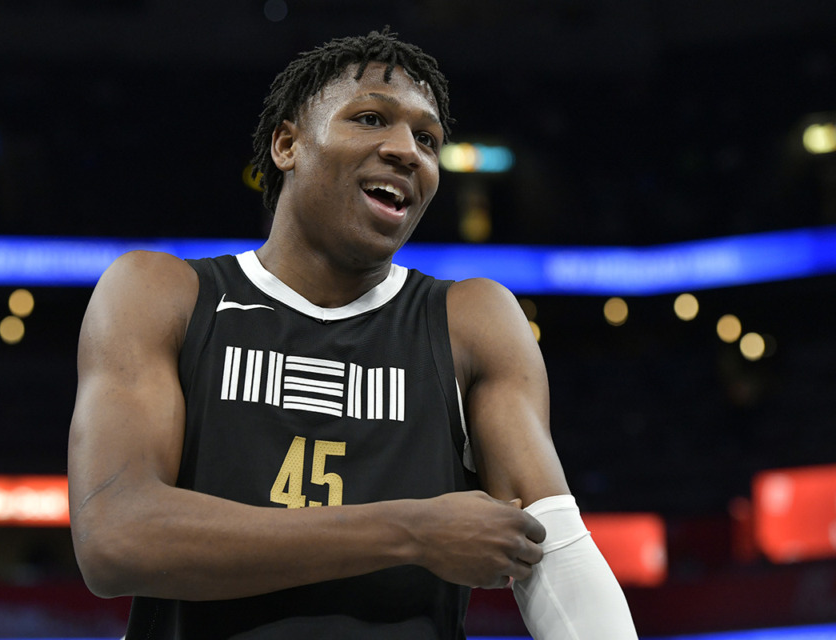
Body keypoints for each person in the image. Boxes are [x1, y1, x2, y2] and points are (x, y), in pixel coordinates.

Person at [67, 28, 638, 639]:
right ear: (287, 144)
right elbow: (117, 537)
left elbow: (557, 555)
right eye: (370, 118)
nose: (407, 151)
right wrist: (411, 532)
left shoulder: (472, 320)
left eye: (427, 139)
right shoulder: (160, 294)